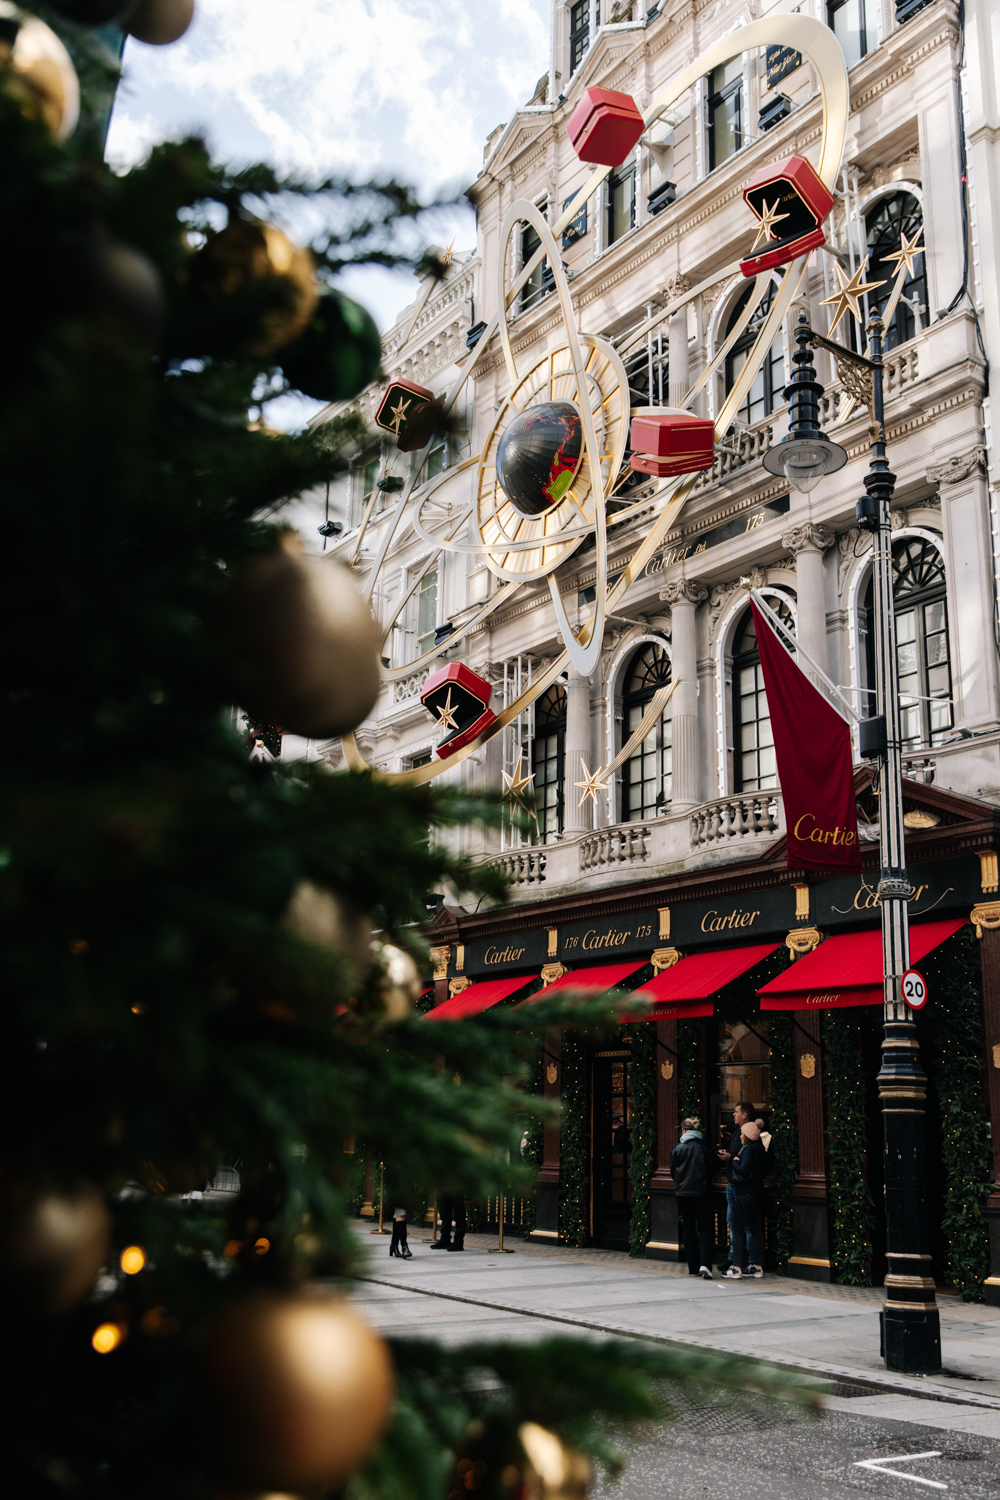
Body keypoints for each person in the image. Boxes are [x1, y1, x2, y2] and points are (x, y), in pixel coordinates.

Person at [669, 1116, 715, 1279]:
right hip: (702, 1193)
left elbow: (673, 1171)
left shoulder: (678, 1148)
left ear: (683, 1130)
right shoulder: (704, 1148)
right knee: (705, 1228)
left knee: (689, 1228)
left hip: (683, 1194)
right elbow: (714, 1168)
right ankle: (705, 1264)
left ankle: (693, 1267)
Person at [724, 1120, 767, 1280]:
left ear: (748, 1136)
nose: (740, 1135)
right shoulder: (760, 1149)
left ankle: (736, 1267)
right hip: (758, 1194)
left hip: (746, 1195)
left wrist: (734, 1161)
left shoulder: (748, 1150)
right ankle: (757, 1266)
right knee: (756, 1230)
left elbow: (743, 1170)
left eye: (742, 1133)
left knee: (738, 1228)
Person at [717, 1100, 753, 1273]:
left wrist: (730, 1158)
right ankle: (735, 1258)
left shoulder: (748, 1136)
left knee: (740, 1225)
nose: (733, 1114)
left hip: (740, 1185)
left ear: (744, 1115)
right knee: (735, 1224)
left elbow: (743, 1163)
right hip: (733, 1182)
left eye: (736, 1112)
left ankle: (741, 1261)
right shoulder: (738, 1131)